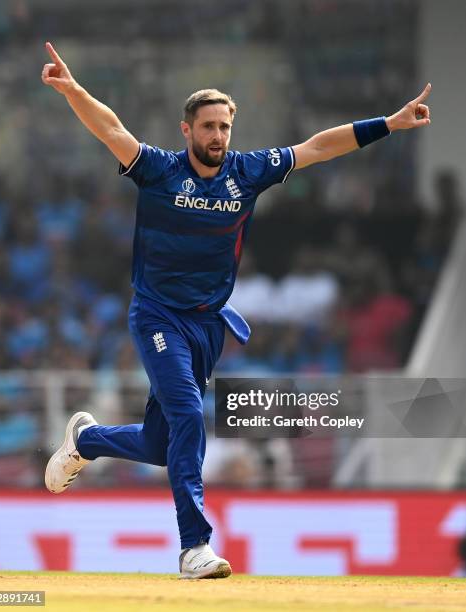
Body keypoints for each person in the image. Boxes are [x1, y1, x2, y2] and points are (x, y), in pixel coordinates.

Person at [41, 41, 431, 579]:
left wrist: (387, 123)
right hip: (158, 317)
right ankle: (194, 546)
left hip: (207, 326)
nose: (218, 136)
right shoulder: (158, 170)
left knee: (161, 443)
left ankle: (86, 439)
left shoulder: (247, 173)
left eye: (225, 127)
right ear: (187, 130)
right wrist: (73, 89)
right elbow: (111, 129)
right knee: (187, 418)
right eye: (208, 127)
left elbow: (318, 147)